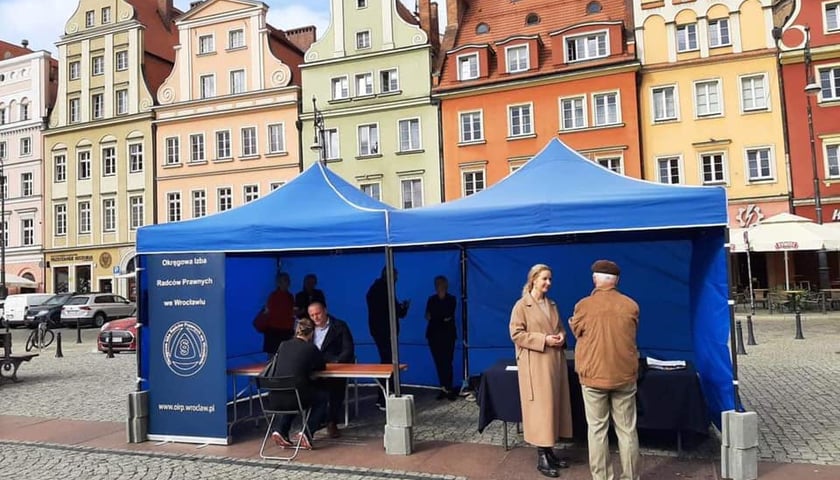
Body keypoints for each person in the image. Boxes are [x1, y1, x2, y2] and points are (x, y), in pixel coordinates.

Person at [569, 260, 640, 480]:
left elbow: (577, 330)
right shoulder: (631, 305)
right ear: (617, 281)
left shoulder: (583, 305)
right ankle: (631, 477)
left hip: (593, 378)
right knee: (627, 430)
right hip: (624, 376)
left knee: (597, 431)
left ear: (594, 279)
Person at [510, 264, 572, 478]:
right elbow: (516, 334)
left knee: (553, 406)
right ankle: (542, 456)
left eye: (550, 279)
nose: (548, 283)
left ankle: (549, 451)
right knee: (541, 409)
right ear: (533, 279)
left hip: (554, 361)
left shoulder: (552, 304)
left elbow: (561, 327)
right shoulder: (521, 305)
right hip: (536, 363)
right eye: (545, 278)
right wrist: (543, 340)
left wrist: (562, 336)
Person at [268, 318, 327, 450]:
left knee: (294, 395)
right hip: (296, 397)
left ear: (296, 330)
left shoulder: (283, 344)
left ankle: (280, 430)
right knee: (322, 397)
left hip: (275, 397)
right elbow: (321, 366)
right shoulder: (311, 348)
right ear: (311, 333)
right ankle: (307, 433)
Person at [307, 301, 355, 438]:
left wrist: (335, 362)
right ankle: (314, 422)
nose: (315, 318)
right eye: (312, 315)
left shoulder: (339, 326)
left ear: (325, 311)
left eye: (318, 314)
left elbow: (348, 350)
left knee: (336, 389)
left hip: (335, 368)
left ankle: (332, 422)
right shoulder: (308, 328)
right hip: (314, 369)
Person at [366, 267, 409, 409]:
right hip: (385, 332)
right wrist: (403, 308)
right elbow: (395, 311)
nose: (397, 279)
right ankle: (385, 395)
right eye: (395, 276)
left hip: (380, 331)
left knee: (387, 361)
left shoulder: (375, 289)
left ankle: (385, 394)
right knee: (388, 363)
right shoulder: (384, 289)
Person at [425, 275, 458, 400]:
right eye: (437, 284)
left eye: (441, 283)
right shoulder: (431, 299)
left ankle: (449, 388)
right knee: (438, 362)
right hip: (433, 335)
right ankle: (443, 387)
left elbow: (448, 316)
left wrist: (436, 317)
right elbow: (428, 315)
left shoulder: (451, 299)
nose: (439, 286)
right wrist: (439, 318)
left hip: (448, 335)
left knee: (447, 362)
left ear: (445, 285)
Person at [258, 272, 295, 355]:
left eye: (288, 280)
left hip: (286, 330)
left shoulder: (290, 296)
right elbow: (270, 312)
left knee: (286, 354)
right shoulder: (273, 296)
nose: (288, 282)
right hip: (274, 331)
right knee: (272, 356)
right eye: (285, 280)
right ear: (279, 283)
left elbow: (290, 312)